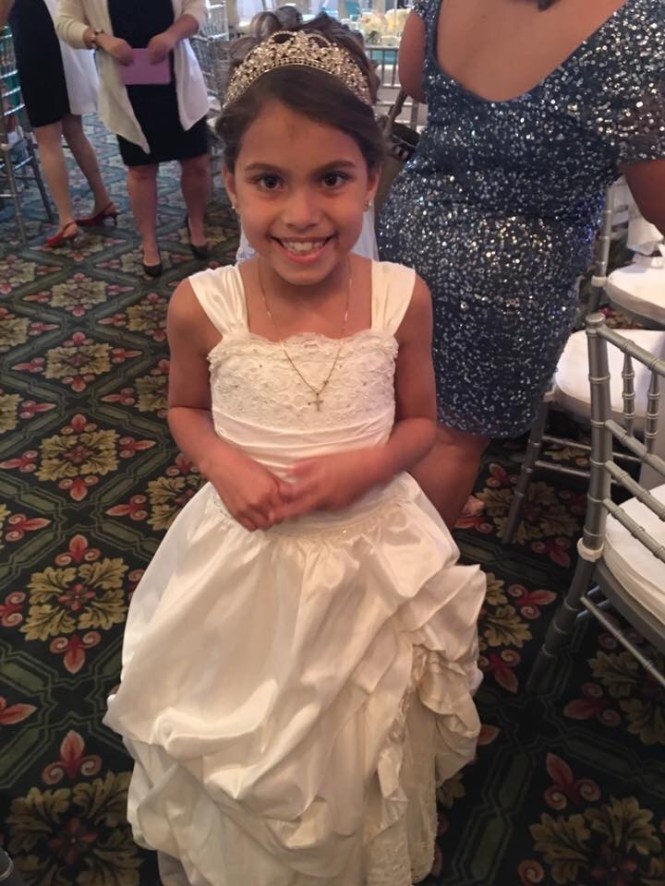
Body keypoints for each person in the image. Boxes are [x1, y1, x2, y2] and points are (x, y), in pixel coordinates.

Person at [104, 16, 486, 885]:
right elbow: (184, 408)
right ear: (229, 183)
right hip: (248, 561)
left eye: (332, 179)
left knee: (360, 732)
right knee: (250, 729)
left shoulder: (401, 297)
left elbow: (420, 424)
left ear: (371, 180)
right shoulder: (201, 305)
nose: (302, 214)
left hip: (370, 557)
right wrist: (221, 463)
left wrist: (367, 465)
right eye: (269, 181)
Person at [377, 0, 665, 528]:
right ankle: (398, 564)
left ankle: (379, 524)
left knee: (397, 401)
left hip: (411, 223)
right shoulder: (641, 23)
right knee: (452, 438)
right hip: (512, 271)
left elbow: (415, 78)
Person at [56, 0, 211, 277]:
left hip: (179, 80)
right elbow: (65, 23)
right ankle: (148, 242)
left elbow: (198, 8)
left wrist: (171, 35)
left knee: (196, 162)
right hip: (125, 86)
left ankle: (196, 224)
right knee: (141, 169)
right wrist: (101, 39)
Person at [0, 0, 115, 247]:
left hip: (37, 38)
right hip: (67, 38)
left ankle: (66, 219)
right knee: (74, 130)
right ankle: (102, 198)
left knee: (47, 138)